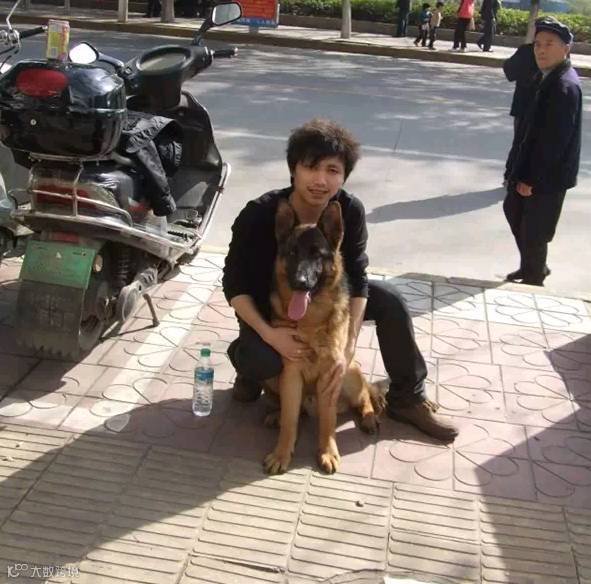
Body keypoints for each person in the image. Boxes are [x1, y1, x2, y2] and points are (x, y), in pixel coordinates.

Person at [222, 119, 459, 442]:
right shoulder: (260, 214)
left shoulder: (348, 209)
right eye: (311, 167)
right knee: (260, 359)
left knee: (391, 301)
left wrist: (347, 347)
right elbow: (234, 284)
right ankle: (255, 374)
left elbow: (358, 277)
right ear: (293, 170)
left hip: (329, 296)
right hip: (268, 309)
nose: (321, 180)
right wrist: (270, 334)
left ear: (344, 176)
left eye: (332, 170)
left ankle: (408, 399)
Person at [503, 17, 582, 286]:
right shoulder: (546, 76)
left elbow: (553, 143)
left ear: (566, 49)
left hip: (547, 177)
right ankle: (532, 266)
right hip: (531, 168)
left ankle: (534, 278)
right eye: (537, 44)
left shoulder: (563, 86)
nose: (541, 50)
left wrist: (531, 179)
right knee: (515, 211)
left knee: (534, 229)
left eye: (549, 44)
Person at [502, 41, 538, 186]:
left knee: (522, 142)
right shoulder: (528, 51)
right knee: (522, 142)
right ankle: (512, 176)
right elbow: (510, 71)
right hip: (526, 105)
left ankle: (514, 176)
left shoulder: (526, 50)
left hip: (529, 105)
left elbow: (509, 70)